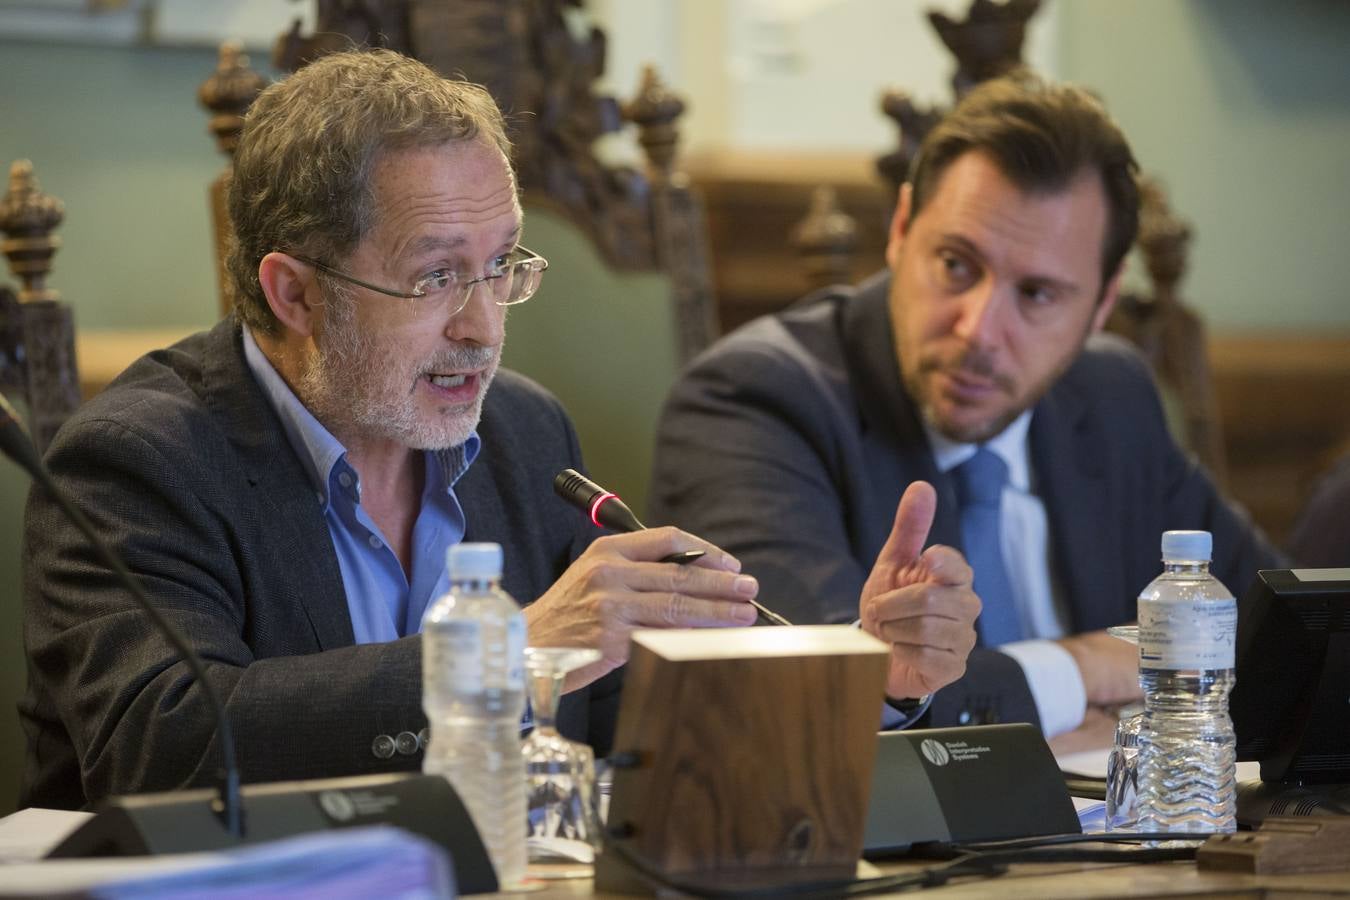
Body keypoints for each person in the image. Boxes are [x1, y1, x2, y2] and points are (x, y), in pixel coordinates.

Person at [19, 49, 977, 811]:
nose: (481, 326)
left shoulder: (522, 432)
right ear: (295, 292)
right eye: (436, 276)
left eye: (502, 264)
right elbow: (164, 751)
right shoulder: (139, 462)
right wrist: (501, 659)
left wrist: (869, 681)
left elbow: (634, 729)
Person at [651, 74, 1283, 746]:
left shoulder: (1112, 395)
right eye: (956, 264)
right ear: (900, 231)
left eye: (1038, 294)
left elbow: (1281, 634)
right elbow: (818, 695)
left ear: (1101, 304)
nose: (980, 329)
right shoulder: (754, 401)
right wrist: (1086, 669)